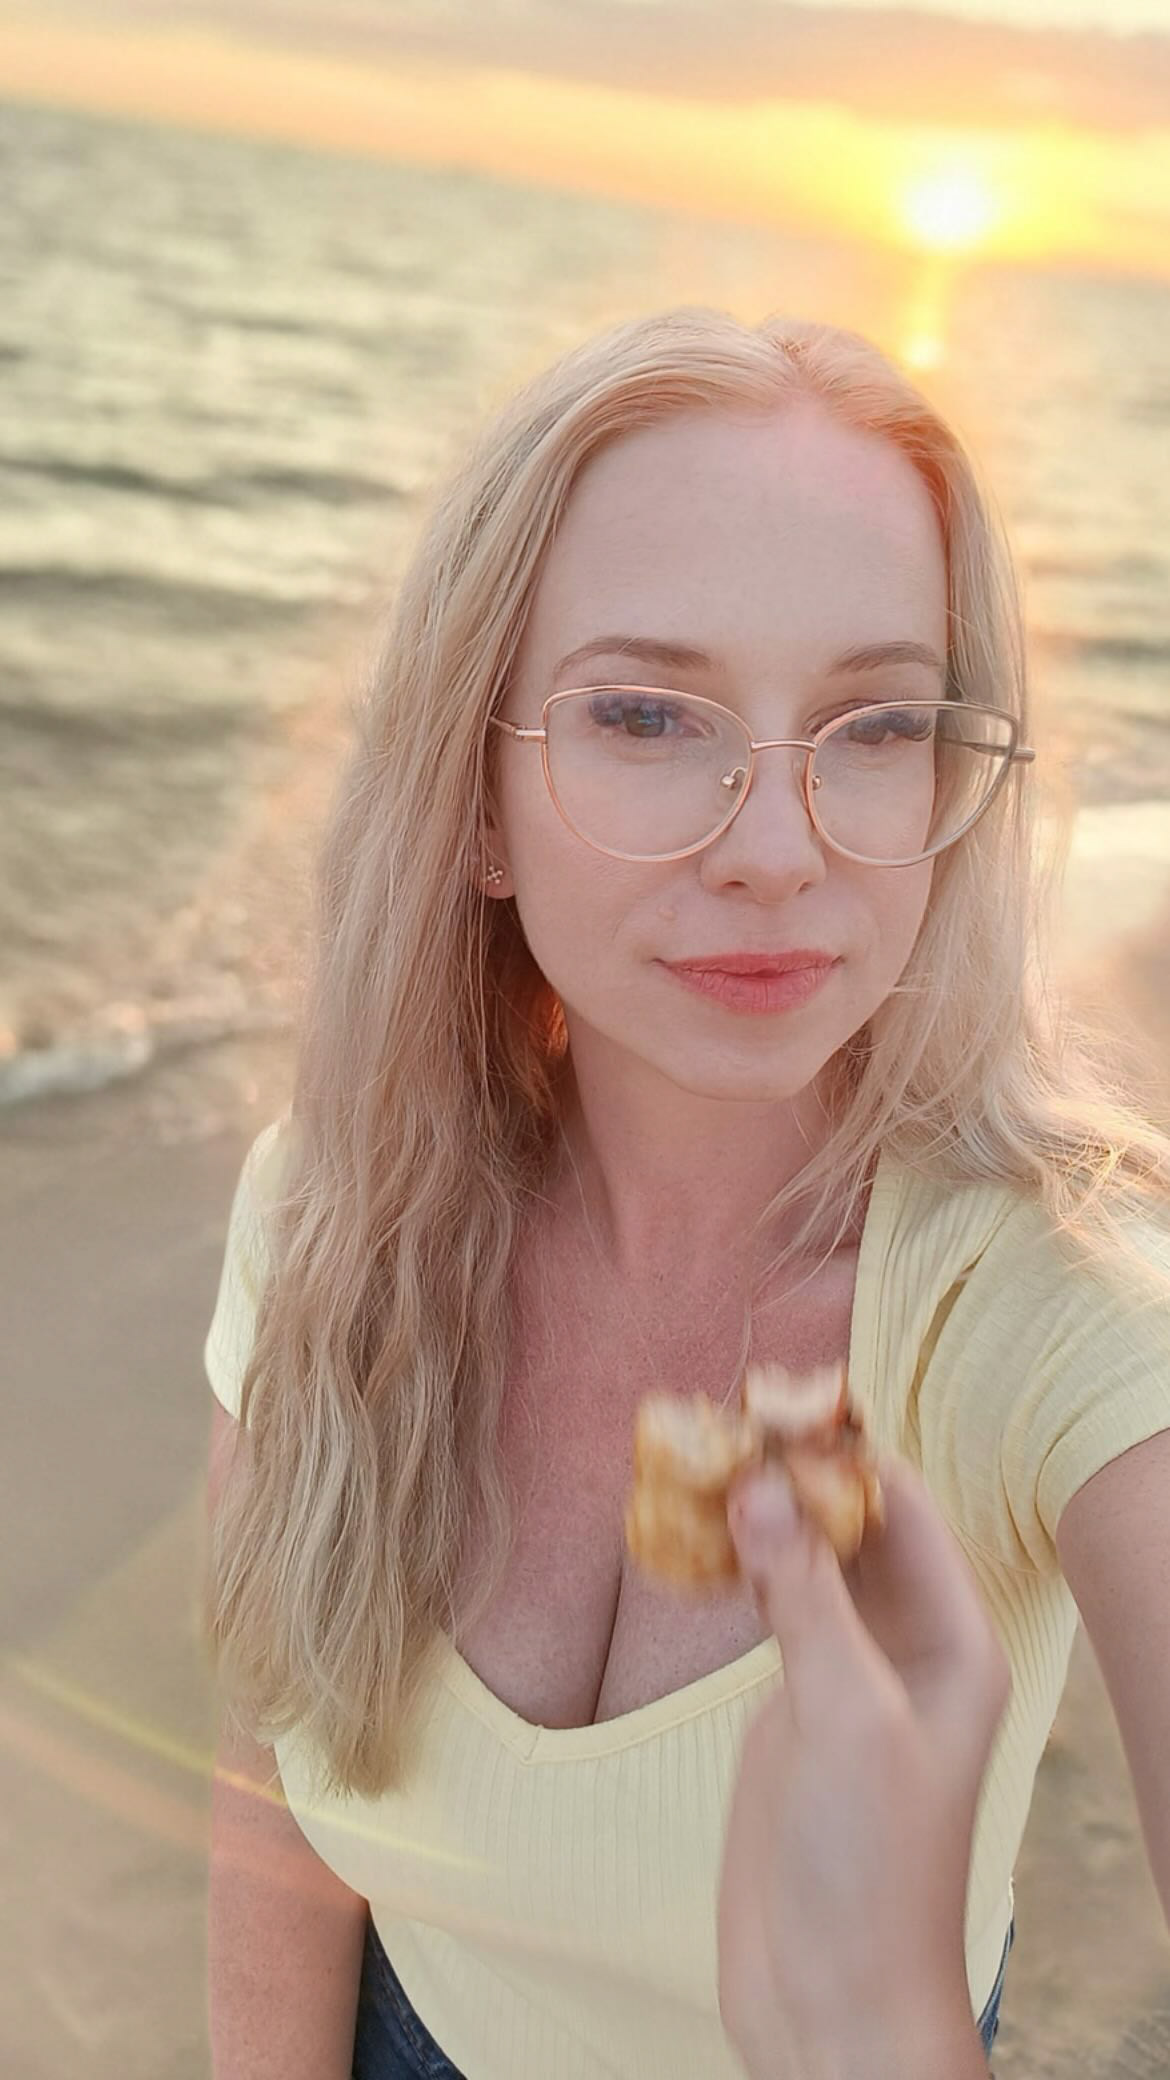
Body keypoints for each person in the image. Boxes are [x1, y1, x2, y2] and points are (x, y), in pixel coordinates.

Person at [201, 308, 1170, 2080]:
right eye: (647, 713)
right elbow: (274, 1786)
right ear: (472, 803)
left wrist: (881, 2025)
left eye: (879, 723)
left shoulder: (1070, 1322)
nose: (780, 851)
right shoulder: (331, 1216)